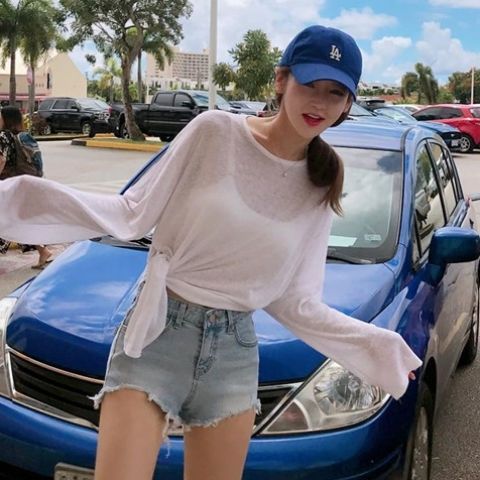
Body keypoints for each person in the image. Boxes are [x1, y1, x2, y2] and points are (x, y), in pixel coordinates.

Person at [0, 25, 422, 480]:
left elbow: (296, 302)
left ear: (348, 103)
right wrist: (15, 199)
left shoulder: (323, 179)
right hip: (158, 332)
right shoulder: (214, 132)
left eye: (335, 92)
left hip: (233, 353)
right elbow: (133, 212)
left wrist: (379, 347)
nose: (320, 103)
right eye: (310, 84)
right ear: (282, 80)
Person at [0, 106, 52, 268]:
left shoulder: (4, 136)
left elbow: (1, 160)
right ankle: (43, 251)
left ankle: (43, 250)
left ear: (6, 119)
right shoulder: (19, 135)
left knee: (9, 218)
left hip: (7, 184)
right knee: (16, 219)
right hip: (18, 183)